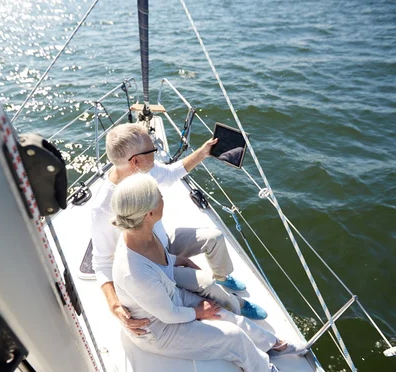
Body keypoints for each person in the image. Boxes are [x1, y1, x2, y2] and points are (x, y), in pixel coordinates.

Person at [111, 174, 304, 372]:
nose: (163, 198)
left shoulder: (141, 233)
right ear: (149, 213)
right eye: (159, 197)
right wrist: (199, 313)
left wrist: (179, 259)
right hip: (158, 330)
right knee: (232, 335)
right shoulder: (135, 272)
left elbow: (161, 263)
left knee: (227, 316)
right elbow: (169, 315)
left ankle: (273, 344)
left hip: (170, 298)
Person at [91, 123, 267, 336]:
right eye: (153, 150)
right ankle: (233, 303)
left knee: (215, 238)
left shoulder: (145, 169)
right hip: (151, 265)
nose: (156, 153)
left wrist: (204, 152)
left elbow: (173, 173)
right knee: (206, 285)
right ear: (135, 161)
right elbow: (101, 262)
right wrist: (114, 305)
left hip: (165, 244)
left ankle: (222, 277)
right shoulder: (103, 208)